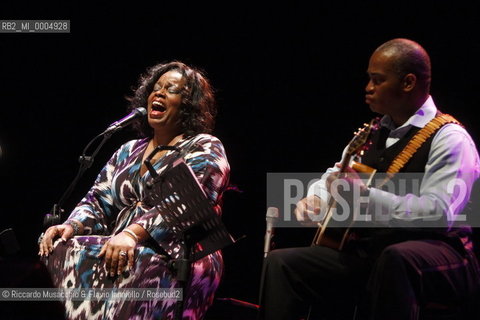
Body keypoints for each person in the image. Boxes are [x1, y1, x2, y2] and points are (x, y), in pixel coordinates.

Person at [260, 38, 480, 319]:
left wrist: (363, 197)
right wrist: (317, 196)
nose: (368, 88)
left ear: (408, 83)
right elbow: (337, 174)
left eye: (378, 80)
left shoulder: (450, 138)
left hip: (444, 256)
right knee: (284, 264)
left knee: (397, 258)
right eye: (369, 79)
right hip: (376, 253)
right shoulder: (372, 133)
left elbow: (440, 213)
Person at [38, 61, 230, 320]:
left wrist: (131, 234)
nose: (158, 94)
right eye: (156, 88)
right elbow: (97, 200)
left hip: (180, 253)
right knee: (60, 248)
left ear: (189, 105)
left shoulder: (204, 146)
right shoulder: (128, 151)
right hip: (122, 248)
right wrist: (71, 226)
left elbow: (182, 202)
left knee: (142, 262)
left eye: (171, 90)